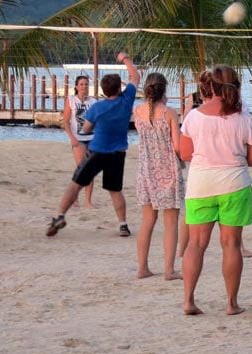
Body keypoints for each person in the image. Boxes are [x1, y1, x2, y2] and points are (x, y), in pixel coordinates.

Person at [179, 65, 252, 315]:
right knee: (231, 245)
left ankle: (189, 300)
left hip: (201, 183)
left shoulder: (193, 117)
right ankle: (231, 303)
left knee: (196, 244)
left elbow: (184, 153)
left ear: (209, 86)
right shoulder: (245, 118)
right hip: (233, 183)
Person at [47, 53, 139, 237]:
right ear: (119, 89)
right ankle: (123, 225)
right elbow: (135, 76)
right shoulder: (127, 99)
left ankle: (59, 216)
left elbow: (87, 129)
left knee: (75, 184)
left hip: (97, 151)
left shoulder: (97, 107)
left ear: (104, 91)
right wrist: (125, 59)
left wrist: (92, 126)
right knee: (115, 190)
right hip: (118, 152)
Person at [132, 72, 184, 280]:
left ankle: (142, 267)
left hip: (146, 170)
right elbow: (178, 146)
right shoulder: (169, 113)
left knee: (147, 221)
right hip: (167, 170)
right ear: (164, 89)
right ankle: (169, 270)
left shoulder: (138, 111)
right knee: (170, 222)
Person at [63, 75, 98, 207]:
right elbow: (65, 122)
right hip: (78, 140)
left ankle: (88, 201)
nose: (84, 87)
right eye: (81, 84)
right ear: (76, 87)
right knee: (82, 169)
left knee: (91, 171)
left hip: (92, 140)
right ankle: (75, 198)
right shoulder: (71, 100)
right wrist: (72, 139)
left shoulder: (93, 101)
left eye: (86, 84)